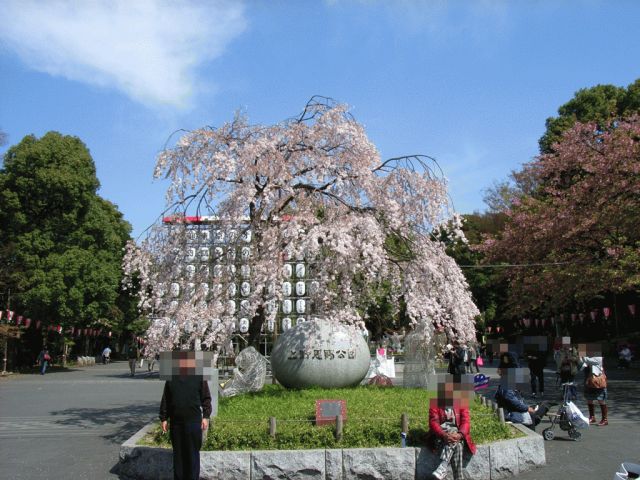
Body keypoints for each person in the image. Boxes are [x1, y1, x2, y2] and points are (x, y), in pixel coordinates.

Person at [159, 352, 212, 480]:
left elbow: (206, 398)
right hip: (176, 422)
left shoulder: (199, 376)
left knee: (192, 455)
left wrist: (206, 416)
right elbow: (166, 398)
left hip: (193, 421)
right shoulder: (171, 377)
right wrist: (164, 418)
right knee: (178, 455)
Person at [427, 374, 476, 480]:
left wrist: (459, 434)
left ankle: (443, 466)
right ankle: (458, 477)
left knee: (455, 440)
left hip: (456, 436)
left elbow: (466, 422)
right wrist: (444, 435)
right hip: (440, 436)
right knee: (457, 445)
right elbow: (433, 423)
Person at [494, 352, 550, 430]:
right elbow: (511, 399)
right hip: (513, 415)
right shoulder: (508, 380)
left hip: (512, 412)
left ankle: (536, 416)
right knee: (540, 409)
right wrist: (526, 408)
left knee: (537, 409)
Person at [580, 343, 608, 426]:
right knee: (589, 399)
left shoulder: (598, 358)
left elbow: (586, 360)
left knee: (601, 400)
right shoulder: (589, 358)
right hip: (589, 381)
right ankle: (592, 417)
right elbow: (581, 364)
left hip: (598, 382)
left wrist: (581, 352)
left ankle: (605, 419)